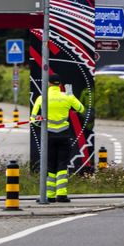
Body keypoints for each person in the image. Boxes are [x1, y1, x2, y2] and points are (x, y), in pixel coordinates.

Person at [30, 75, 86, 203]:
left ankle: (49, 195)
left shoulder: (41, 98)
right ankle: (61, 195)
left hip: (48, 136)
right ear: (60, 84)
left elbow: (33, 120)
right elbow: (81, 109)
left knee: (49, 165)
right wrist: (71, 96)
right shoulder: (67, 97)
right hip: (64, 135)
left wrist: (41, 122)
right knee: (62, 164)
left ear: (49, 83)